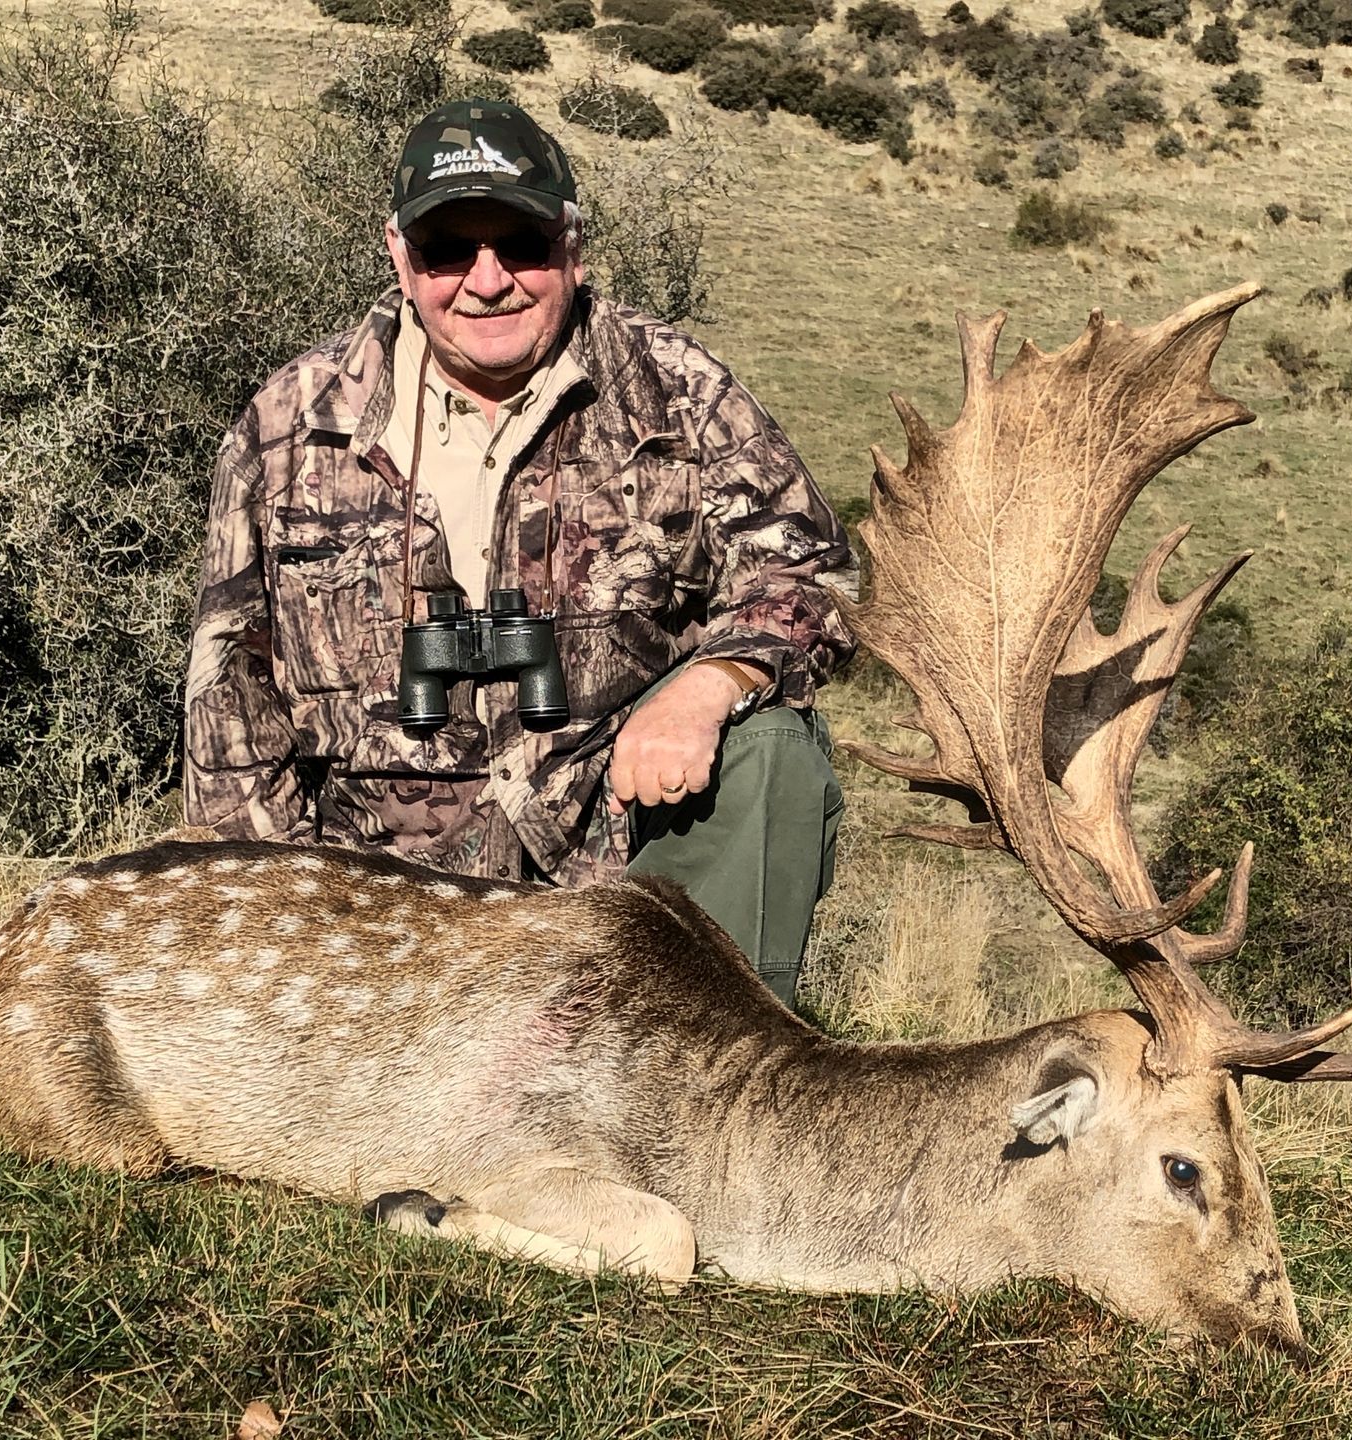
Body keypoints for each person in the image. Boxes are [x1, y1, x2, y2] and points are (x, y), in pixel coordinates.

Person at [183, 98, 856, 1006]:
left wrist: (708, 687)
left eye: (522, 244)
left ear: (573, 245)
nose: (487, 279)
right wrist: (264, 945)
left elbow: (814, 577)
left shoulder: (678, 394)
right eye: (448, 248)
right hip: (376, 910)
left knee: (773, 747)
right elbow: (231, 707)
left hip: (615, 881)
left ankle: (720, 1083)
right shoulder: (290, 426)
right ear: (399, 255)